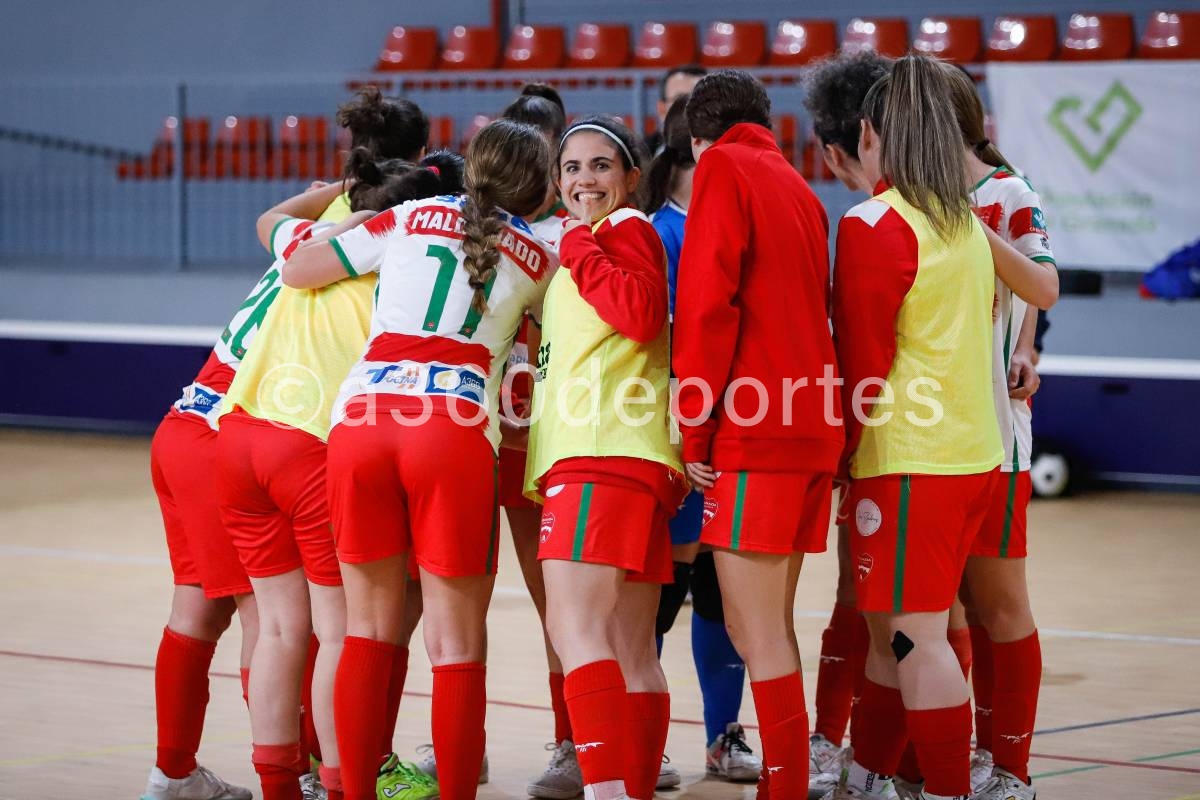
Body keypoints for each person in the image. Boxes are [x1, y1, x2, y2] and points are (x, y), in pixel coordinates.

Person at [283, 118, 556, 800]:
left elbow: (298, 269)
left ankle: (352, 789)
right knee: (456, 647)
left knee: (367, 633)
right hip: (452, 429)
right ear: (541, 191)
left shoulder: (406, 217)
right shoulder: (540, 259)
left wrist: (344, 222)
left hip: (363, 422)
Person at [827, 55, 1057, 800]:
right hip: (975, 457)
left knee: (912, 637)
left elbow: (864, 364)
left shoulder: (873, 223)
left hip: (908, 460)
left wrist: (839, 454)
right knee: (895, 635)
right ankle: (869, 776)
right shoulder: (967, 225)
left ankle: (948, 788)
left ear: (871, 134)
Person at [214, 88, 442, 800]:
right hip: (310, 442)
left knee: (283, 630)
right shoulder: (401, 251)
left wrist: (330, 194)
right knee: (342, 632)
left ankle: (282, 786)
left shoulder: (318, 233)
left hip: (238, 433)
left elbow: (269, 222)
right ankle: (345, 781)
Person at [670, 69, 842, 799]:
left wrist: (693, 427)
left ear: (698, 141)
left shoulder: (722, 169)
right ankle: (787, 779)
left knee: (755, 631)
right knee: (772, 627)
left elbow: (708, 303)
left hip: (756, 430)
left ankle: (786, 786)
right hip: (812, 425)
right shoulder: (802, 188)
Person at [525, 115, 683, 800]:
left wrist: (575, 245)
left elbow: (640, 315)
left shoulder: (621, 231)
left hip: (599, 452)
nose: (584, 180)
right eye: (572, 168)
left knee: (574, 628)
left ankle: (606, 791)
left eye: (600, 166)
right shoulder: (600, 239)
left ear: (631, 177)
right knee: (631, 650)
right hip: (629, 457)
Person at [643, 93, 762, 784]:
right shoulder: (659, 233)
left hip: (741, 430)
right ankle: (647, 738)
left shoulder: (746, 222)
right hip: (681, 436)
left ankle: (724, 735)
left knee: (722, 593)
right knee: (661, 595)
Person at [945, 64, 1052, 800]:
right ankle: (949, 757)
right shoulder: (906, 199)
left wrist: (1025, 345)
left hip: (994, 435)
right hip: (928, 436)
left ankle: (1009, 767)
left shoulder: (1007, 194)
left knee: (998, 602)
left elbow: (1040, 279)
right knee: (938, 608)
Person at [644, 64, 707, 155]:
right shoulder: (642, 154)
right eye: (681, 99)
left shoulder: (724, 152)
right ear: (662, 109)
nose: (692, 106)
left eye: (700, 98)